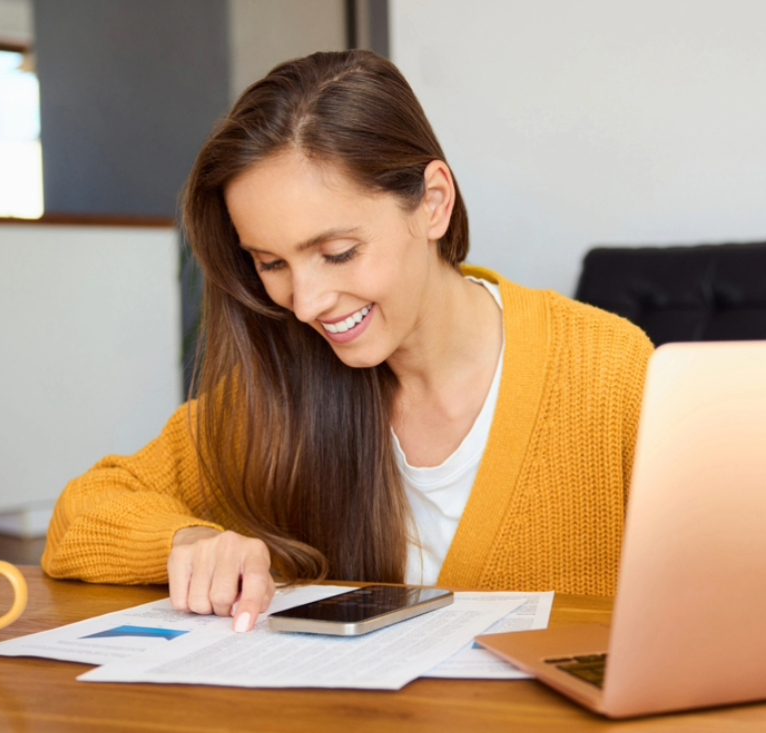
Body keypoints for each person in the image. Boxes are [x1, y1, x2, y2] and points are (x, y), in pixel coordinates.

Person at [41, 50, 652, 632]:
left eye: (337, 253)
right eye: (270, 263)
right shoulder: (280, 392)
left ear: (433, 203)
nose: (305, 304)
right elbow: (82, 513)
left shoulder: (611, 372)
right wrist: (189, 541)